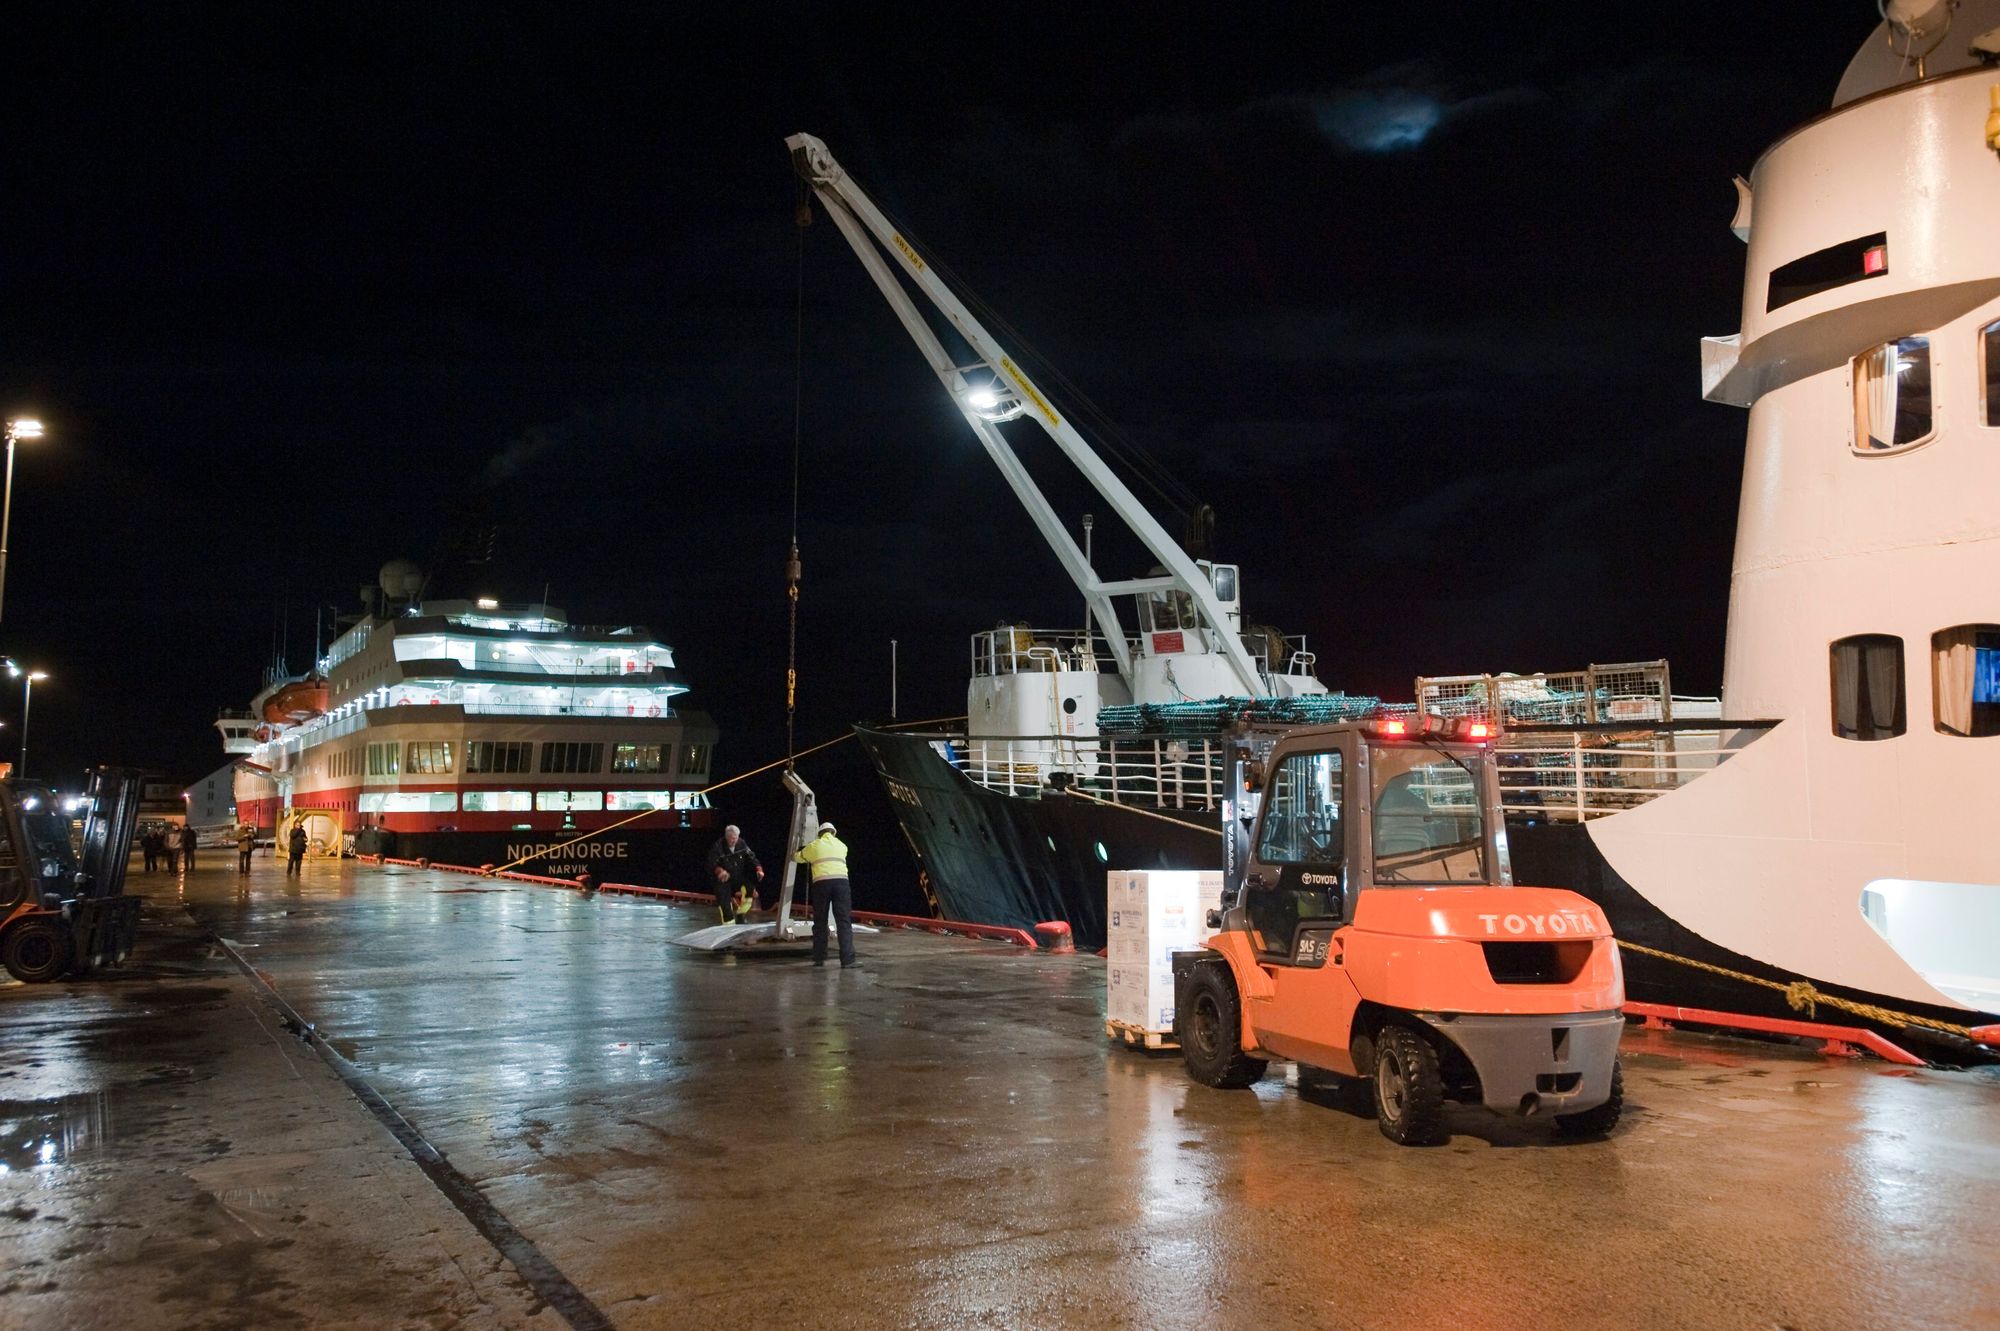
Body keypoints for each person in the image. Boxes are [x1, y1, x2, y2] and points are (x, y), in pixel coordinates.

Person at [795, 820, 855, 968]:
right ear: (833, 833)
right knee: (844, 922)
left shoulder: (814, 845)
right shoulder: (842, 845)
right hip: (842, 884)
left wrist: (795, 852)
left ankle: (819, 958)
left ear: (819, 834)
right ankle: (847, 960)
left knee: (820, 921)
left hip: (821, 884)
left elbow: (797, 857)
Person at [704, 824, 763, 922]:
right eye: (731, 839)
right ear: (726, 837)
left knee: (750, 887)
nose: (733, 841)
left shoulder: (741, 843)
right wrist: (720, 871)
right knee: (725, 905)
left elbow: (752, 857)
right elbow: (711, 864)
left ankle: (741, 914)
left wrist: (759, 869)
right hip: (723, 878)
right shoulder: (718, 847)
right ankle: (728, 924)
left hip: (737, 875)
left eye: (735, 838)